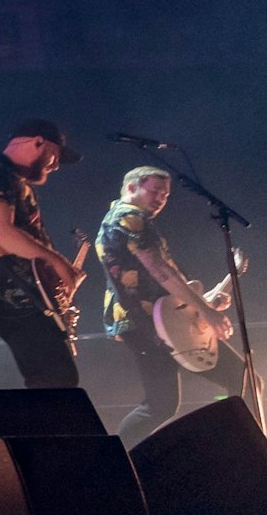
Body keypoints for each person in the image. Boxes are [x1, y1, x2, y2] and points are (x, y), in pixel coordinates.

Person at [98, 165, 246, 447]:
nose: (160, 199)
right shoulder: (128, 218)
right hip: (147, 323)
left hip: (158, 320)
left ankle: (115, 459)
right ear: (131, 188)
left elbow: (161, 279)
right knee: (240, 378)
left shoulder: (128, 220)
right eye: (154, 191)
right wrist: (206, 311)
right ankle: (240, 448)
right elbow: (160, 270)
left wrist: (204, 303)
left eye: (165, 195)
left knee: (161, 405)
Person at [0, 121, 83, 390]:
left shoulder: (13, 181)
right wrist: (57, 261)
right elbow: (0, 231)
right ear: (38, 142)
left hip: (27, 297)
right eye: (56, 156)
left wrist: (56, 296)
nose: (56, 166)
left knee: (56, 380)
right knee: (56, 381)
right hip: (10, 297)